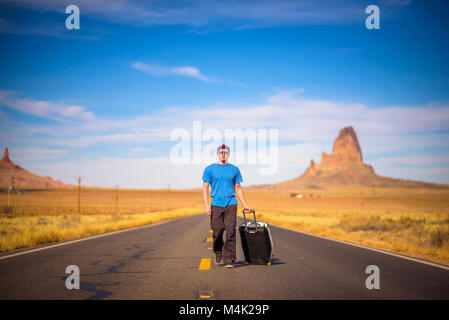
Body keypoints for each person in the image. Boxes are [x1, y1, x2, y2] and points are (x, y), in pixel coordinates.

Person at [202, 144, 250, 268]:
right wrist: (206, 206)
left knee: (231, 231)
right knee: (217, 232)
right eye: (221, 152)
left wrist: (244, 204)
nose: (223, 154)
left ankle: (229, 259)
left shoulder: (234, 169)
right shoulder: (209, 169)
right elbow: (205, 188)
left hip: (231, 204)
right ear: (217, 154)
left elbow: (238, 188)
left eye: (226, 152)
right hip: (216, 204)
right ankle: (218, 252)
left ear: (228, 154)